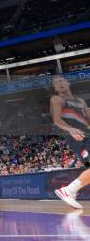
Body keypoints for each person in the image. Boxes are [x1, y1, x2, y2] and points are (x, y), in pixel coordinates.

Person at [51, 75, 89, 209]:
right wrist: (71, 129)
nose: (59, 83)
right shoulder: (57, 99)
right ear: (55, 88)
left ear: (68, 83)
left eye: (61, 80)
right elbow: (57, 120)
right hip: (77, 135)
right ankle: (68, 190)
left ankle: (70, 190)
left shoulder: (81, 101)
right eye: (56, 83)